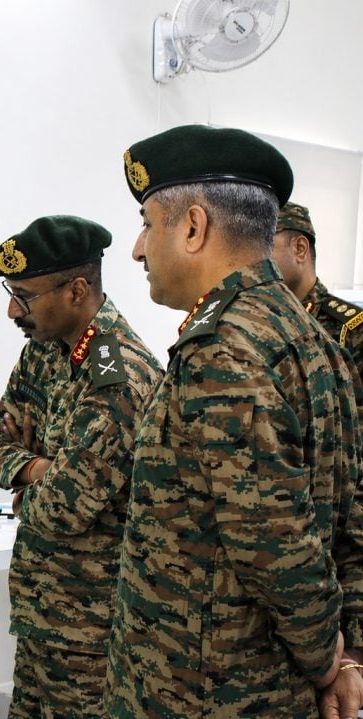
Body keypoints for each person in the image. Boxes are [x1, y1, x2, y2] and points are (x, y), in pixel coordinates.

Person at [106, 124, 363, 718]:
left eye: (148, 222)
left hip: (200, 689)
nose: (138, 247)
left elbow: (271, 542)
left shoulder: (223, 347)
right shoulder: (309, 337)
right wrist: (347, 656)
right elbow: (350, 516)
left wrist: (328, 659)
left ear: (193, 227)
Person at [0, 215, 162, 717]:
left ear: (77, 290)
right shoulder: (43, 351)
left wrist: (30, 488)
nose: (13, 309)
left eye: (26, 296)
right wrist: (42, 469)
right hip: (41, 612)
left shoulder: (116, 372)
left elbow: (65, 506)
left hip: (93, 630)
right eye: (10, 291)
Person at [270, 201, 363, 367]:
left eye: (267, 247)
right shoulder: (260, 315)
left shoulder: (350, 330)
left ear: (300, 249)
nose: (256, 258)